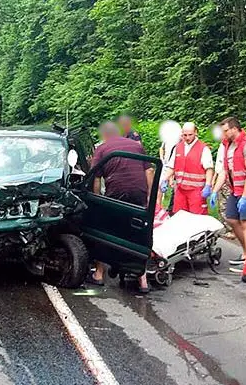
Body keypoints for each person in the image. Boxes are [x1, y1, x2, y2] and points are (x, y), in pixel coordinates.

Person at [89, 121, 153, 293]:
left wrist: (97, 200)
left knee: (103, 231)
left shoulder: (101, 149)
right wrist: (149, 197)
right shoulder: (136, 145)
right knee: (138, 233)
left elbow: (96, 178)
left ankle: (99, 274)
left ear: (104, 135)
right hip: (139, 193)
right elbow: (149, 171)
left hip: (116, 193)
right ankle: (142, 280)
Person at [210, 117, 246, 268]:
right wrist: (215, 190)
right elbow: (225, 171)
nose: (224, 134)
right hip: (235, 189)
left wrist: (245, 196)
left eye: (226, 131)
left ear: (235, 129)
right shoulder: (227, 145)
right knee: (232, 219)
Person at [161, 122, 214, 215]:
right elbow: (171, 166)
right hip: (180, 189)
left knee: (197, 217)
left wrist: (208, 185)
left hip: (196, 191)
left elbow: (209, 169)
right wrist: (164, 179)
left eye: (190, 135)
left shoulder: (203, 149)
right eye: (185, 135)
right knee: (180, 216)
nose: (187, 138)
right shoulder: (178, 147)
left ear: (195, 132)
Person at [211, 125, 234, 238]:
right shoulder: (222, 145)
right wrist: (214, 178)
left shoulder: (230, 146)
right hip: (220, 177)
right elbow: (219, 164)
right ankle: (225, 227)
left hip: (227, 179)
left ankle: (233, 229)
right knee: (221, 205)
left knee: (229, 205)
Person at [157, 120, 181, 211]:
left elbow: (175, 157)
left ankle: (173, 209)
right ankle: (158, 208)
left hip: (174, 166)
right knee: (159, 186)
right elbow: (161, 148)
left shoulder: (180, 140)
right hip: (165, 164)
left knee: (174, 187)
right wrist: (162, 159)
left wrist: (171, 177)